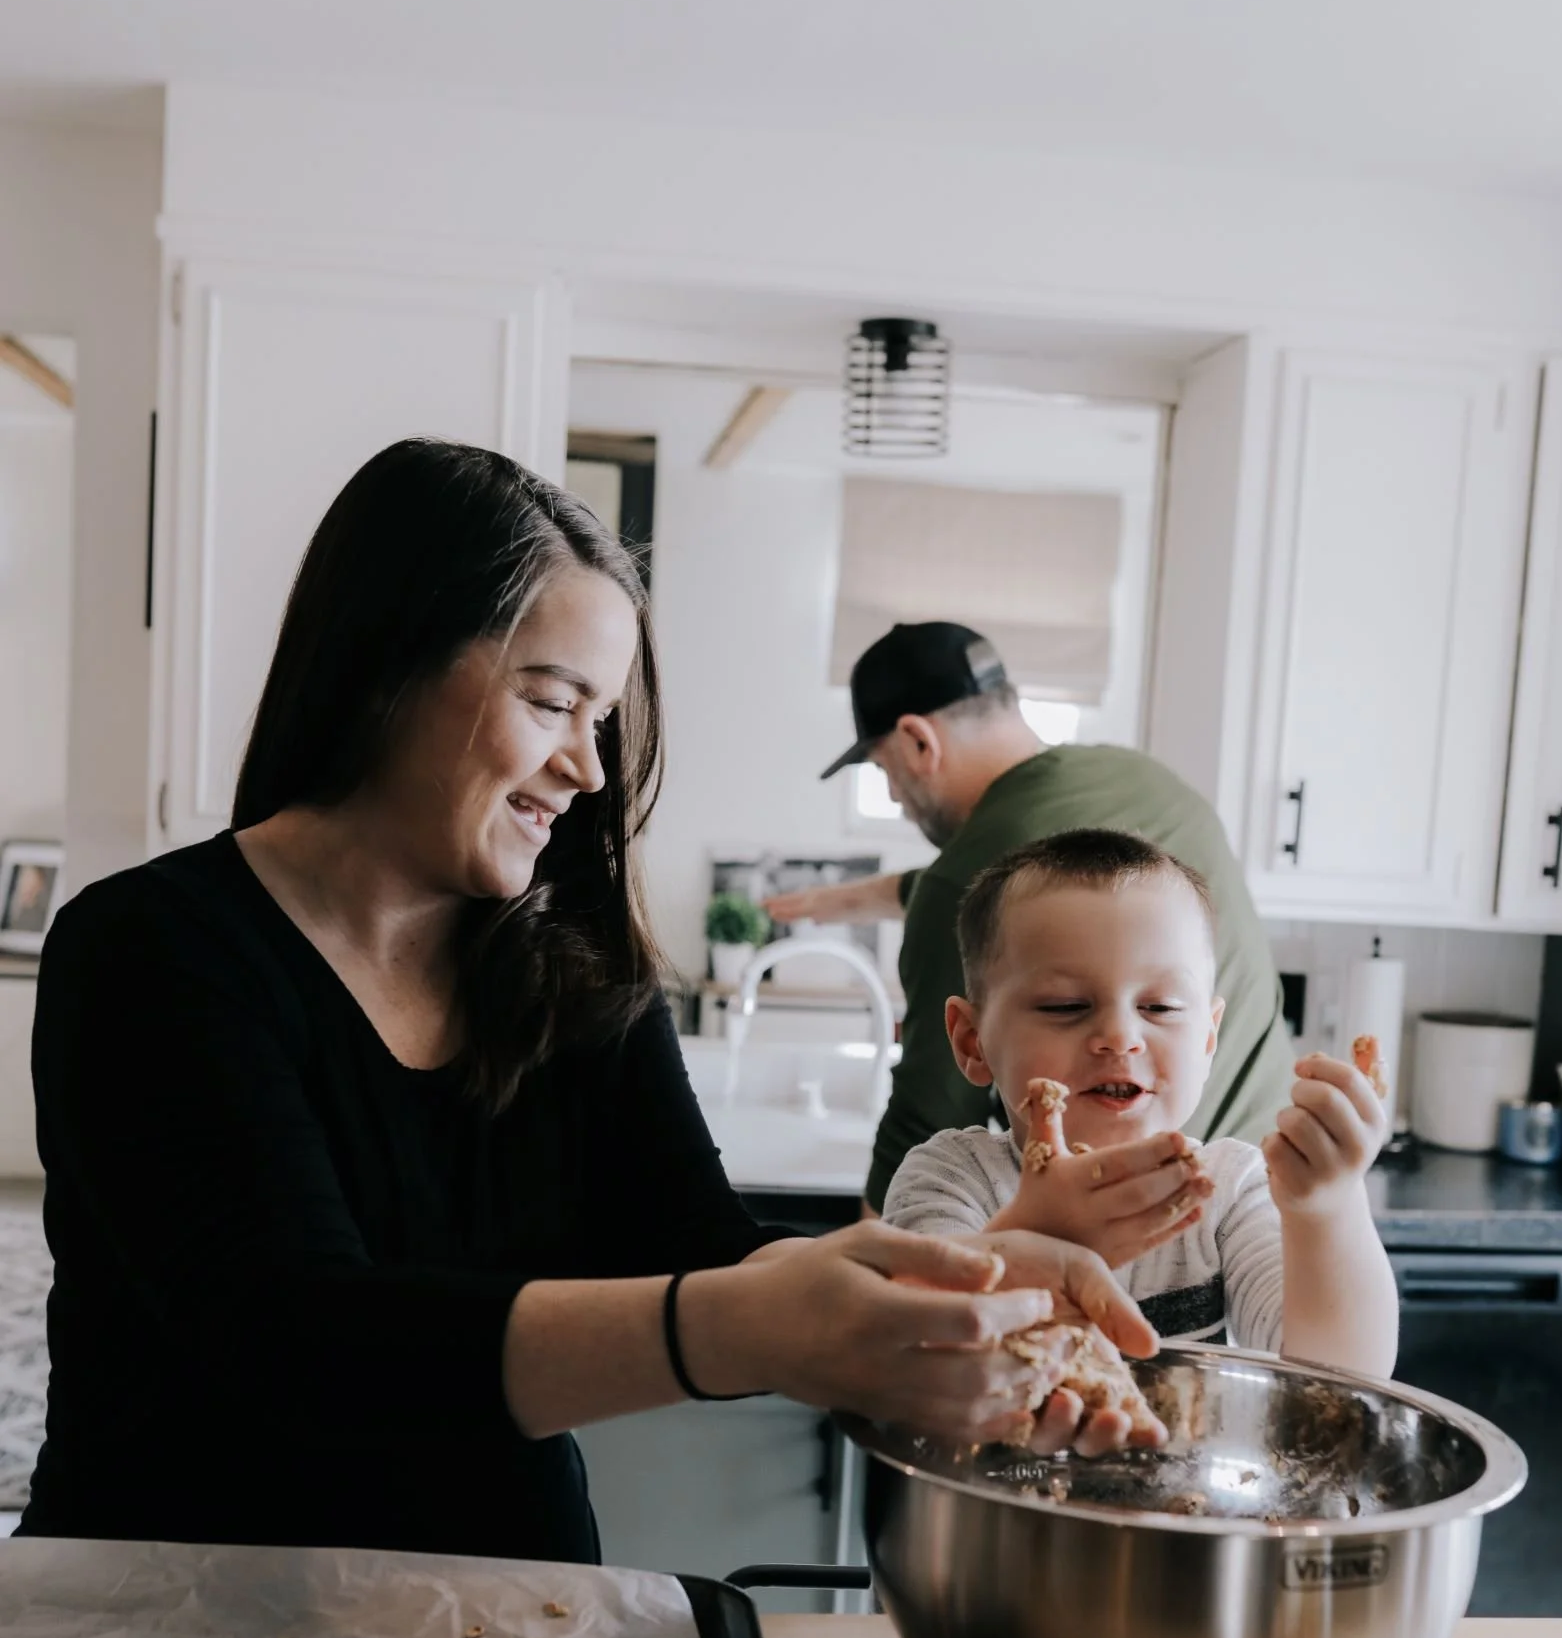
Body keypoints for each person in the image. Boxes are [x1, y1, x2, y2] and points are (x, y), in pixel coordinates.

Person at [21, 443, 1155, 1561]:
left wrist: (941, 1283)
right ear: (387, 660)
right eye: (554, 701)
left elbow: (701, 1247)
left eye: (602, 719)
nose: (589, 768)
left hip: (506, 1610)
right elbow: (294, 1342)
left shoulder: (576, 975)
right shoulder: (151, 953)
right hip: (174, 1626)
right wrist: (739, 1325)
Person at [767, 622, 1292, 1213]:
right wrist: (844, 900)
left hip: (1136, 1222)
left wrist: (866, 1279)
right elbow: (1078, 898)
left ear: (919, 742)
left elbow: (925, 1118)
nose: (893, 796)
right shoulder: (1145, 780)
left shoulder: (959, 882)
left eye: (885, 770)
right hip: (1276, 1191)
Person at [882, 830, 1397, 1378]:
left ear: (1207, 1040)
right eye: (1066, 1006)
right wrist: (1040, 1236)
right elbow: (919, 1361)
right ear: (972, 1041)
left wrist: (1328, 1207)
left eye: (1160, 1006)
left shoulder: (1228, 1191)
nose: (1120, 1036)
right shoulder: (949, 1181)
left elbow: (1337, 1377)